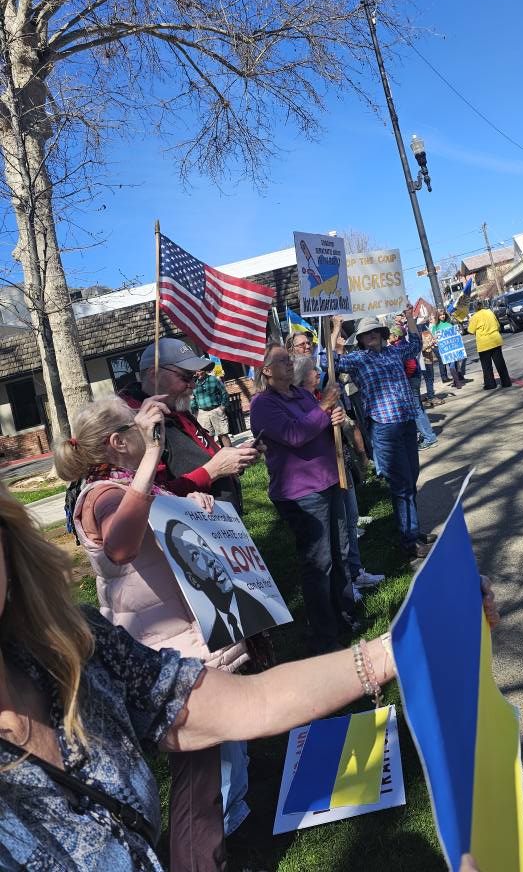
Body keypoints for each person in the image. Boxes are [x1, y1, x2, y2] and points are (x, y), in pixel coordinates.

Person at [0, 484, 413, 872]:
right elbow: (120, 544)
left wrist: (398, 648)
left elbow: (253, 702)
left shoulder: (73, 650)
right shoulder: (103, 495)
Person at [54, 395, 270, 869]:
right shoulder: (104, 494)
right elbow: (121, 547)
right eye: (138, 429)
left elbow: (159, 515)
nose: (149, 437)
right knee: (199, 770)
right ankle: (204, 852)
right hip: (167, 650)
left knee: (216, 754)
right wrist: (153, 458)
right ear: (118, 442)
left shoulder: (128, 484)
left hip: (185, 635)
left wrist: (191, 502)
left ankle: (229, 828)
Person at [249, 344, 359, 653]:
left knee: (340, 552)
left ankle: (345, 613)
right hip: (301, 493)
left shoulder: (300, 394)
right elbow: (295, 434)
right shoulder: (262, 404)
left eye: (288, 358)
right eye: (281, 360)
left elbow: (318, 423)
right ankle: (323, 635)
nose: (289, 362)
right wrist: (324, 407)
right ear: (266, 371)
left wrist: (332, 416)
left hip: (328, 480)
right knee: (318, 563)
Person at [330, 306, 433, 561]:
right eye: (366, 334)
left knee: (411, 480)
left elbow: (416, 343)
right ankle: (409, 541)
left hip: (407, 423)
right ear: (361, 340)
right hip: (384, 428)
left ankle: (414, 532)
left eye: (374, 331)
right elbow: (329, 362)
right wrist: (334, 330)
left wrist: (410, 316)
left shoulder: (395, 351)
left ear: (381, 333)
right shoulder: (358, 359)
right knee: (401, 484)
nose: (371, 336)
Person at [119, 338, 259, 515]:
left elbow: (202, 455)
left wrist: (235, 457)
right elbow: (150, 496)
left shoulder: (175, 406)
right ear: (154, 375)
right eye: (185, 376)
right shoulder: (134, 424)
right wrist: (213, 471)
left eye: (193, 377)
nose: (192, 384)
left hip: (223, 527)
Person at [292, 355, 384, 600]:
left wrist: (338, 416)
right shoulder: (301, 403)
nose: (318, 373)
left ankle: (355, 571)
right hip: (322, 474)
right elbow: (302, 433)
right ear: (301, 376)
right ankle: (344, 584)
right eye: (313, 370)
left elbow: (343, 427)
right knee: (336, 533)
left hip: (340, 463)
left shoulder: (318, 398)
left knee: (351, 519)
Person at [389, 322, 438, 450]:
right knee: (418, 409)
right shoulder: (400, 346)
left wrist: (406, 378)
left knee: (416, 410)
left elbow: (411, 365)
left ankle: (429, 438)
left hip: (411, 381)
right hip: (412, 380)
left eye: (390, 334)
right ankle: (427, 435)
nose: (388, 336)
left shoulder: (401, 347)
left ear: (396, 336)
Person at [467, 306, 512, 391]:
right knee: (500, 363)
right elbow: (498, 325)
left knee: (486, 366)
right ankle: (506, 382)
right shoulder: (490, 312)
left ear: (476, 308)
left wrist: (470, 321)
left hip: (484, 343)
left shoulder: (475, 316)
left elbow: (470, 331)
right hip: (495, 340)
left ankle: (490, 384)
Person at [191, 368, 232, 446]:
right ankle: (214, 456)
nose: (198, 373)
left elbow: (224, 393)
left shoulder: (213, 379)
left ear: (204, 370)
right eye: (196, 371)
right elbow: (193, 398)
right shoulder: (194, 383)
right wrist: (195, 412)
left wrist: (222, 407)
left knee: (223, 435)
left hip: (216, 409)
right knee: (206, 438)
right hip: (202, 413)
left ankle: (232, 455)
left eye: (200, 371)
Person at [430, 308, 465, 388]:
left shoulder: (449, 324)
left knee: (454, 363)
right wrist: (435, 339)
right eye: (441, 315)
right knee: (451, 364)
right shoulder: (435, 327)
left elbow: (455, 334)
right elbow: (433, 338)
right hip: (444, 349)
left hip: (453, 347)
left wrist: (458, 334)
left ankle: (456, 381)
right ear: (437, 316)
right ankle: (457, 382)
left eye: (443, 315)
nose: (442, 316)